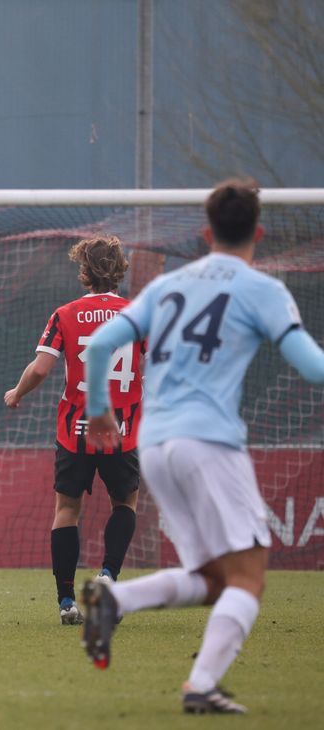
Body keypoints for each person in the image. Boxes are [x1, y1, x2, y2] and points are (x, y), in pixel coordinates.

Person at [81, 179, 324, 714]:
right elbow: (311, 366)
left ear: (204, 231)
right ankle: (200, 686)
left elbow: (100, 345)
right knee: (248, 576)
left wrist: (99, 410)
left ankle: (114, 597)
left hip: (155, 443)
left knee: (212, 580)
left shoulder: (169, 285)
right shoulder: (260, 288)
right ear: (258, 232)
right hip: (209, 442)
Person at [4, 235, 144, 625]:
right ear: (119, 270)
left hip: (75, 429)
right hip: (122, 428)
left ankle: (67, 601)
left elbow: (41, 368)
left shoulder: (65, 313)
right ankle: (107, 576)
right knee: (125, 504)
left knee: (67, 511)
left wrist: (17, 393)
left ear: (85, 272)